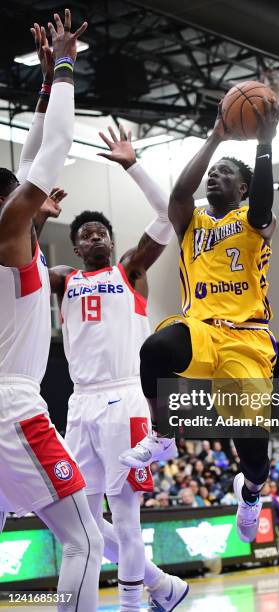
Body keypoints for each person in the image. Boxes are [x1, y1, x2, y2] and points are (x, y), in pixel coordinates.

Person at [38, 125, 188, 611]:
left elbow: (170, 213)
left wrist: (132, 165)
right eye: (85, 234)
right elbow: (16, 257)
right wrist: (38, 218)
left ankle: (132, 603)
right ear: (76, 248)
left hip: (125, 397)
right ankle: (162, 585)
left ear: (110, 239)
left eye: (101, 230)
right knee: (75, 513)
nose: (95, 235)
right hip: (79, 403)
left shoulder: (131, 270)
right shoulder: (62, 280)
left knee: (125, 519)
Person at [120, 97, 279, 544]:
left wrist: (263, 144)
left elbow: (264, 200)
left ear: (243, 189)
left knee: (252, 447)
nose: (214, 176)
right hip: (201, 329)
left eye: (225, 174)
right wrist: (215, 138)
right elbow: (175, 197)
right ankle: (164, 433)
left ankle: (250, 493)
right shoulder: (191, 223)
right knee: (155, 350)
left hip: (247, 340)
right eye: (213, 173)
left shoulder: (255, 221)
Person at [0, 11, 104, 612]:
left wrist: (42, 87)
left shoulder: (14, 232)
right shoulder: (9, 228)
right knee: (85, 540)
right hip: (14, 407)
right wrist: (65, 65)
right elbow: (55, 148)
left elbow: (32, 153)